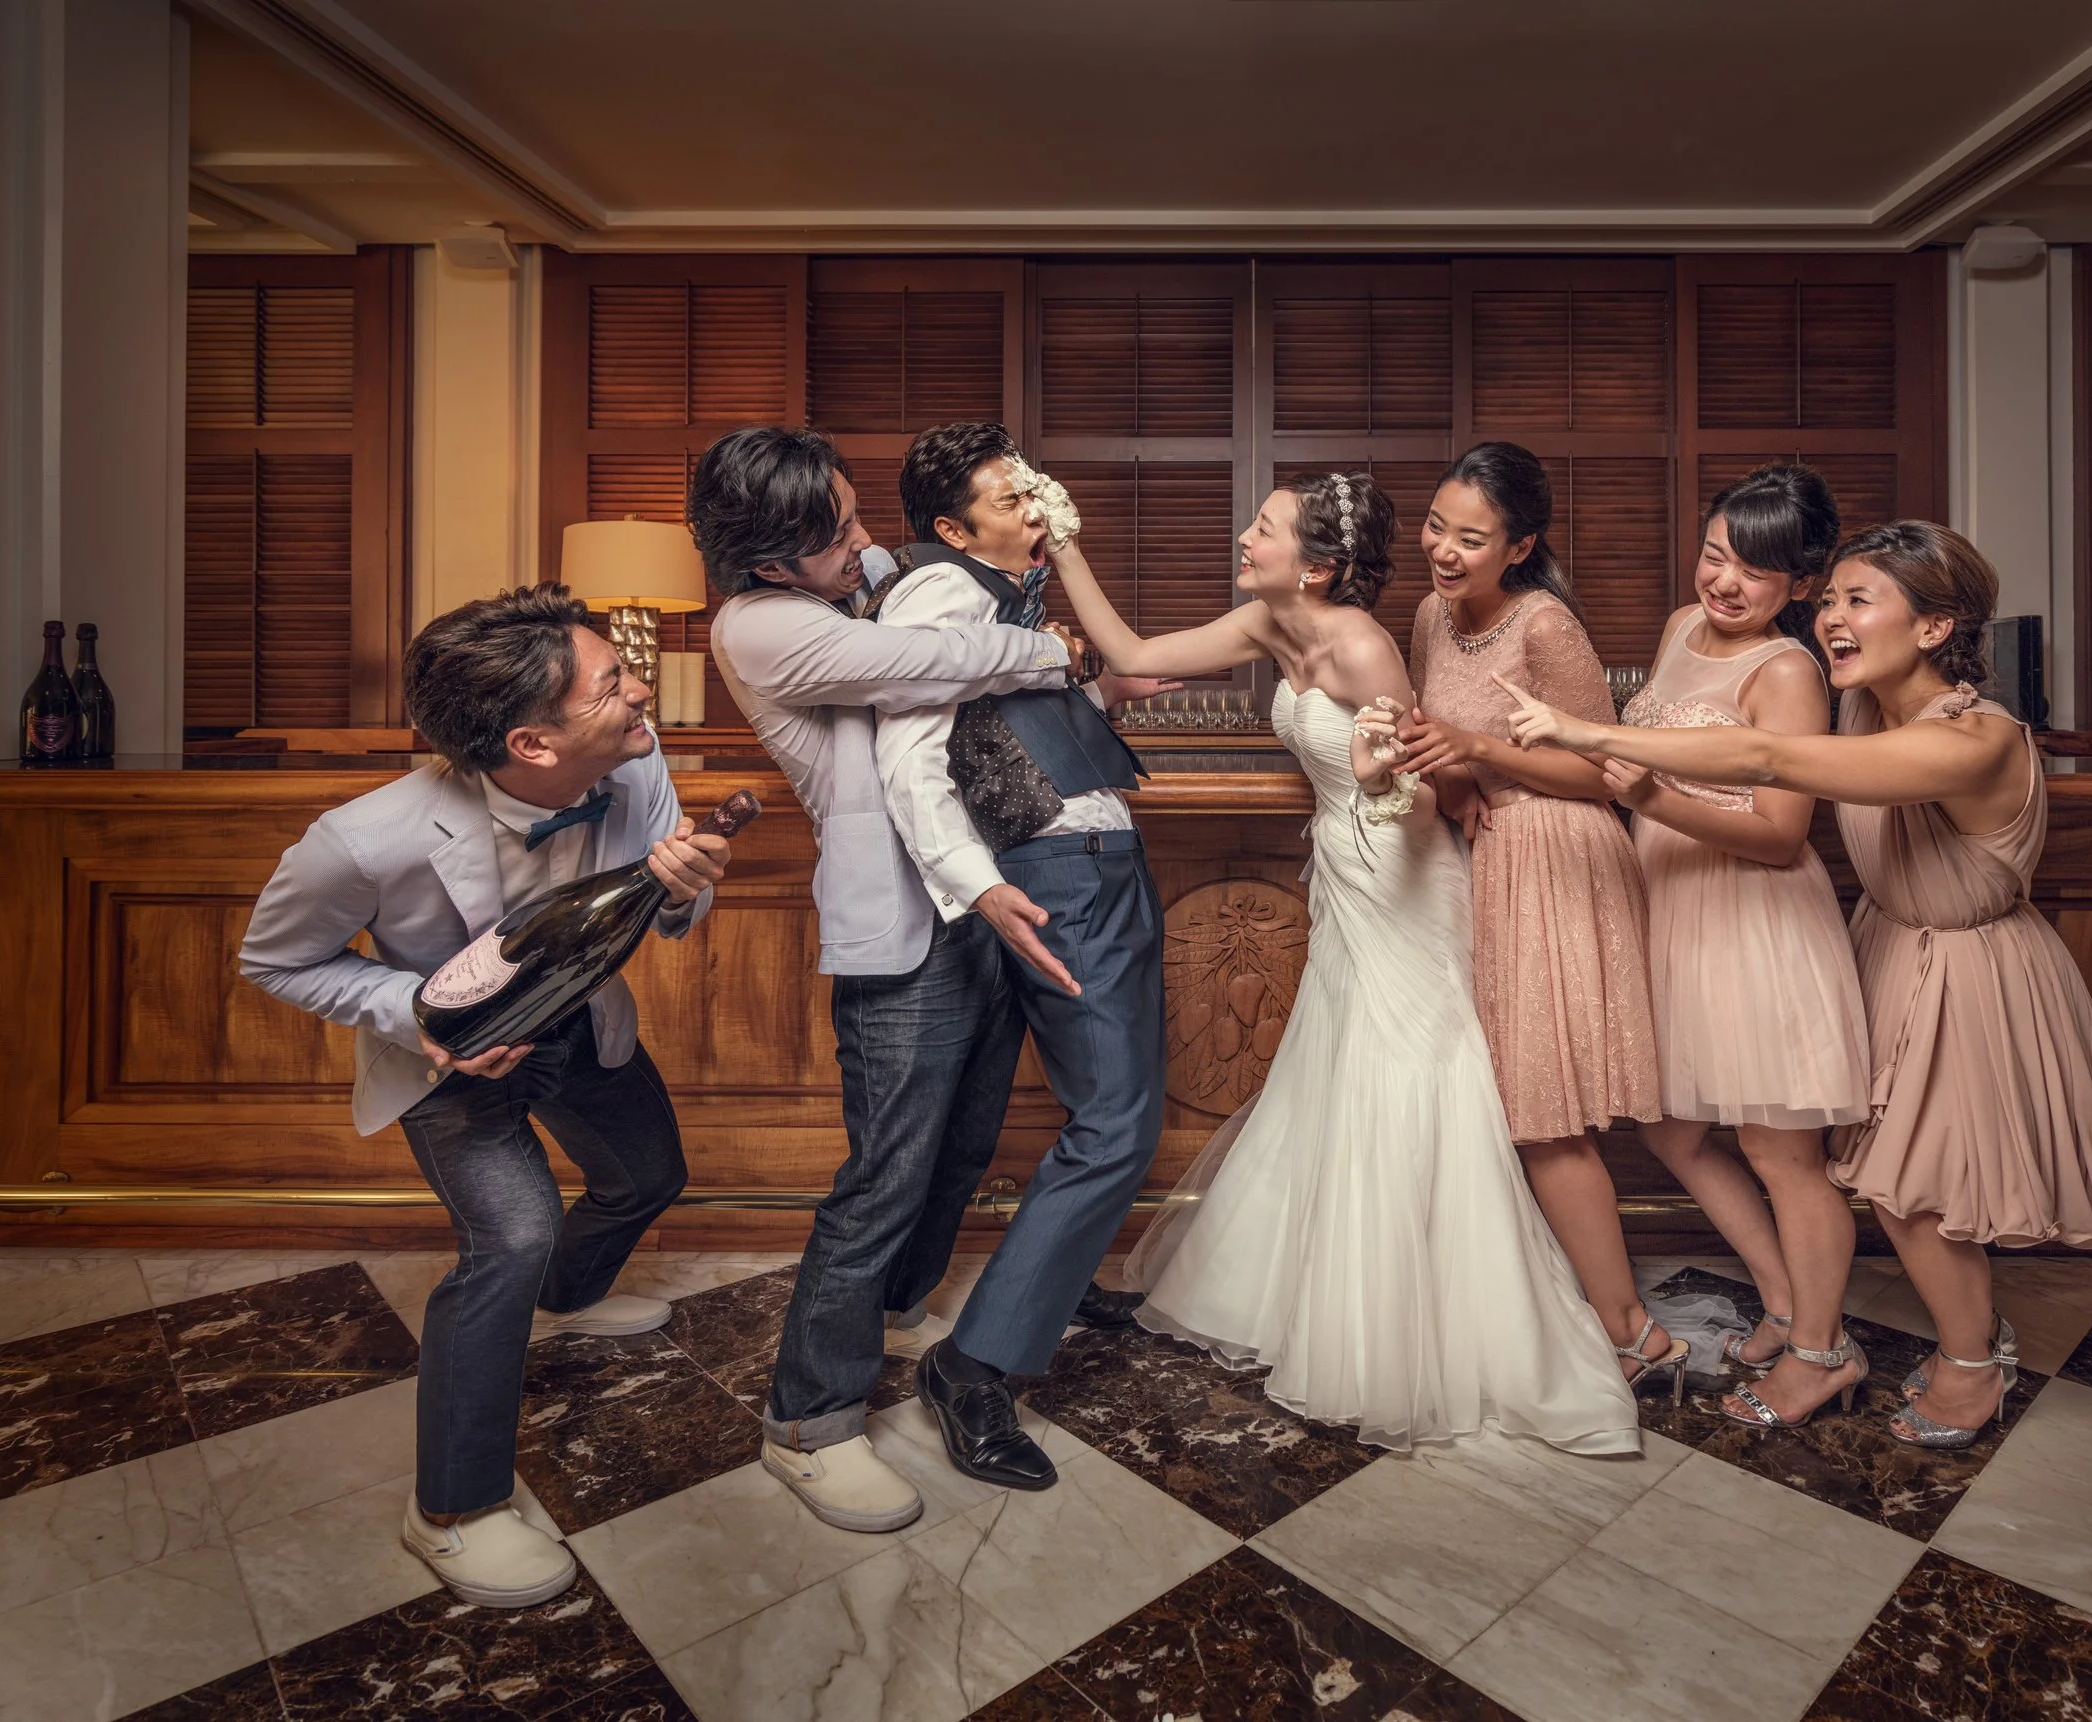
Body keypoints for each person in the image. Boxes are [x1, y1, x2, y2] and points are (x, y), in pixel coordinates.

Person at [1500, 520, 2092, 1446]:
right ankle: (1916, 1333)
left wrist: (1590, 734)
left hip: (1969, 965)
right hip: (1888, 942)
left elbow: (1770, 765)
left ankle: (1963, 1364)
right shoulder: (1868, 706)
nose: (1833, 620)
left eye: (1858, 601)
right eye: (1833, 598)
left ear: (1933, 627)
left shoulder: (1974, 736)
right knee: (1872, 1169)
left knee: (1914, 1185)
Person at [1051, 465, 1643, 1455]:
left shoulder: (1368, 647)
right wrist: (1059, 534)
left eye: (1265, 529)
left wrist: (1381, 781)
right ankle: (1295, 1297)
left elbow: (1416, 793)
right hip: (1345, 872)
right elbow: (1132, 648)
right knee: (1326, 1075)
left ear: (1319, 567)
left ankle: (1416, 1328)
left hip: (1405, 880)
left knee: (1405, 1077)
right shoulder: (1265, 626)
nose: (1244, 538)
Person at [239, 586, 731, 1605]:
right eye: (612, 682)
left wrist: (684, 892)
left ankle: (563, 1299)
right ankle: (452, 1511)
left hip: (582, 1026)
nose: (642, 690)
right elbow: (274, 961)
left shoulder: (632, 763)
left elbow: (667, 906)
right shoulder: (360, 839)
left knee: (649, 1176)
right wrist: (420, 1015)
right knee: (507, 1237)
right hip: (448, 1060)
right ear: (532, 741)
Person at [695, 425, 1089, 1534]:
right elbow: (938, 659)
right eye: (838, 532)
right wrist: (1062, 652)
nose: (869, 542)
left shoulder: (846, 573)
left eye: (857, 512)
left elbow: (967, 577)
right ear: (772, 561)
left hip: (975, 899)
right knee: (883, 1176)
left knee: (963, 1144)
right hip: (898, 928)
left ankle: (898, 1310)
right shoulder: (764, 626)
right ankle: (807, 1426)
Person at [871, 423, 1175, 1491]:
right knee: (1118, 1119)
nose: (1033, 509)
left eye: (1029, 490)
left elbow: (1001, 732)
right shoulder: (940, 598)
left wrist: (1099, 699)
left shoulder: (1007, 600)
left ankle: (1046, 1277)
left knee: (1111, 1108)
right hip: (1056, 878)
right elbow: (909, 760)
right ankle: (975, 1364)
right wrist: (982, 885)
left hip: (1089, 861)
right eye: (1008, 500)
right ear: (952, 527)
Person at [1390, 443, 1680, 1397]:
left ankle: (1630, 1333)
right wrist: (1460, 774)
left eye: (1470, 539)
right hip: (1485, 858)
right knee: (1504, 1104)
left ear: (1520, 547)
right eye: (1436, 526)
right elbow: (1440, 741)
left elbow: (1605, 771)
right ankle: (1570, 1307)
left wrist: (1477, 750)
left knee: (1546, 1116)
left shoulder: (1545, 622)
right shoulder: (1432, 615)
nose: (1443, 550)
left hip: (1556, 855)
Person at [1608, 465, 1872, 1429]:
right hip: (1672, 911)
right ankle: (1787, 1299)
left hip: (1754, 920)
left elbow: (1780, 831)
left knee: (1780, 1151)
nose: (1726, 584)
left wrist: (1646, 795)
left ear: (1799, 587)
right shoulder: (1681, 626)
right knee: (1673, 1129)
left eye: (1755, 573)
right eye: (1717, 555)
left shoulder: (1789, 672)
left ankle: (1821, 1351)